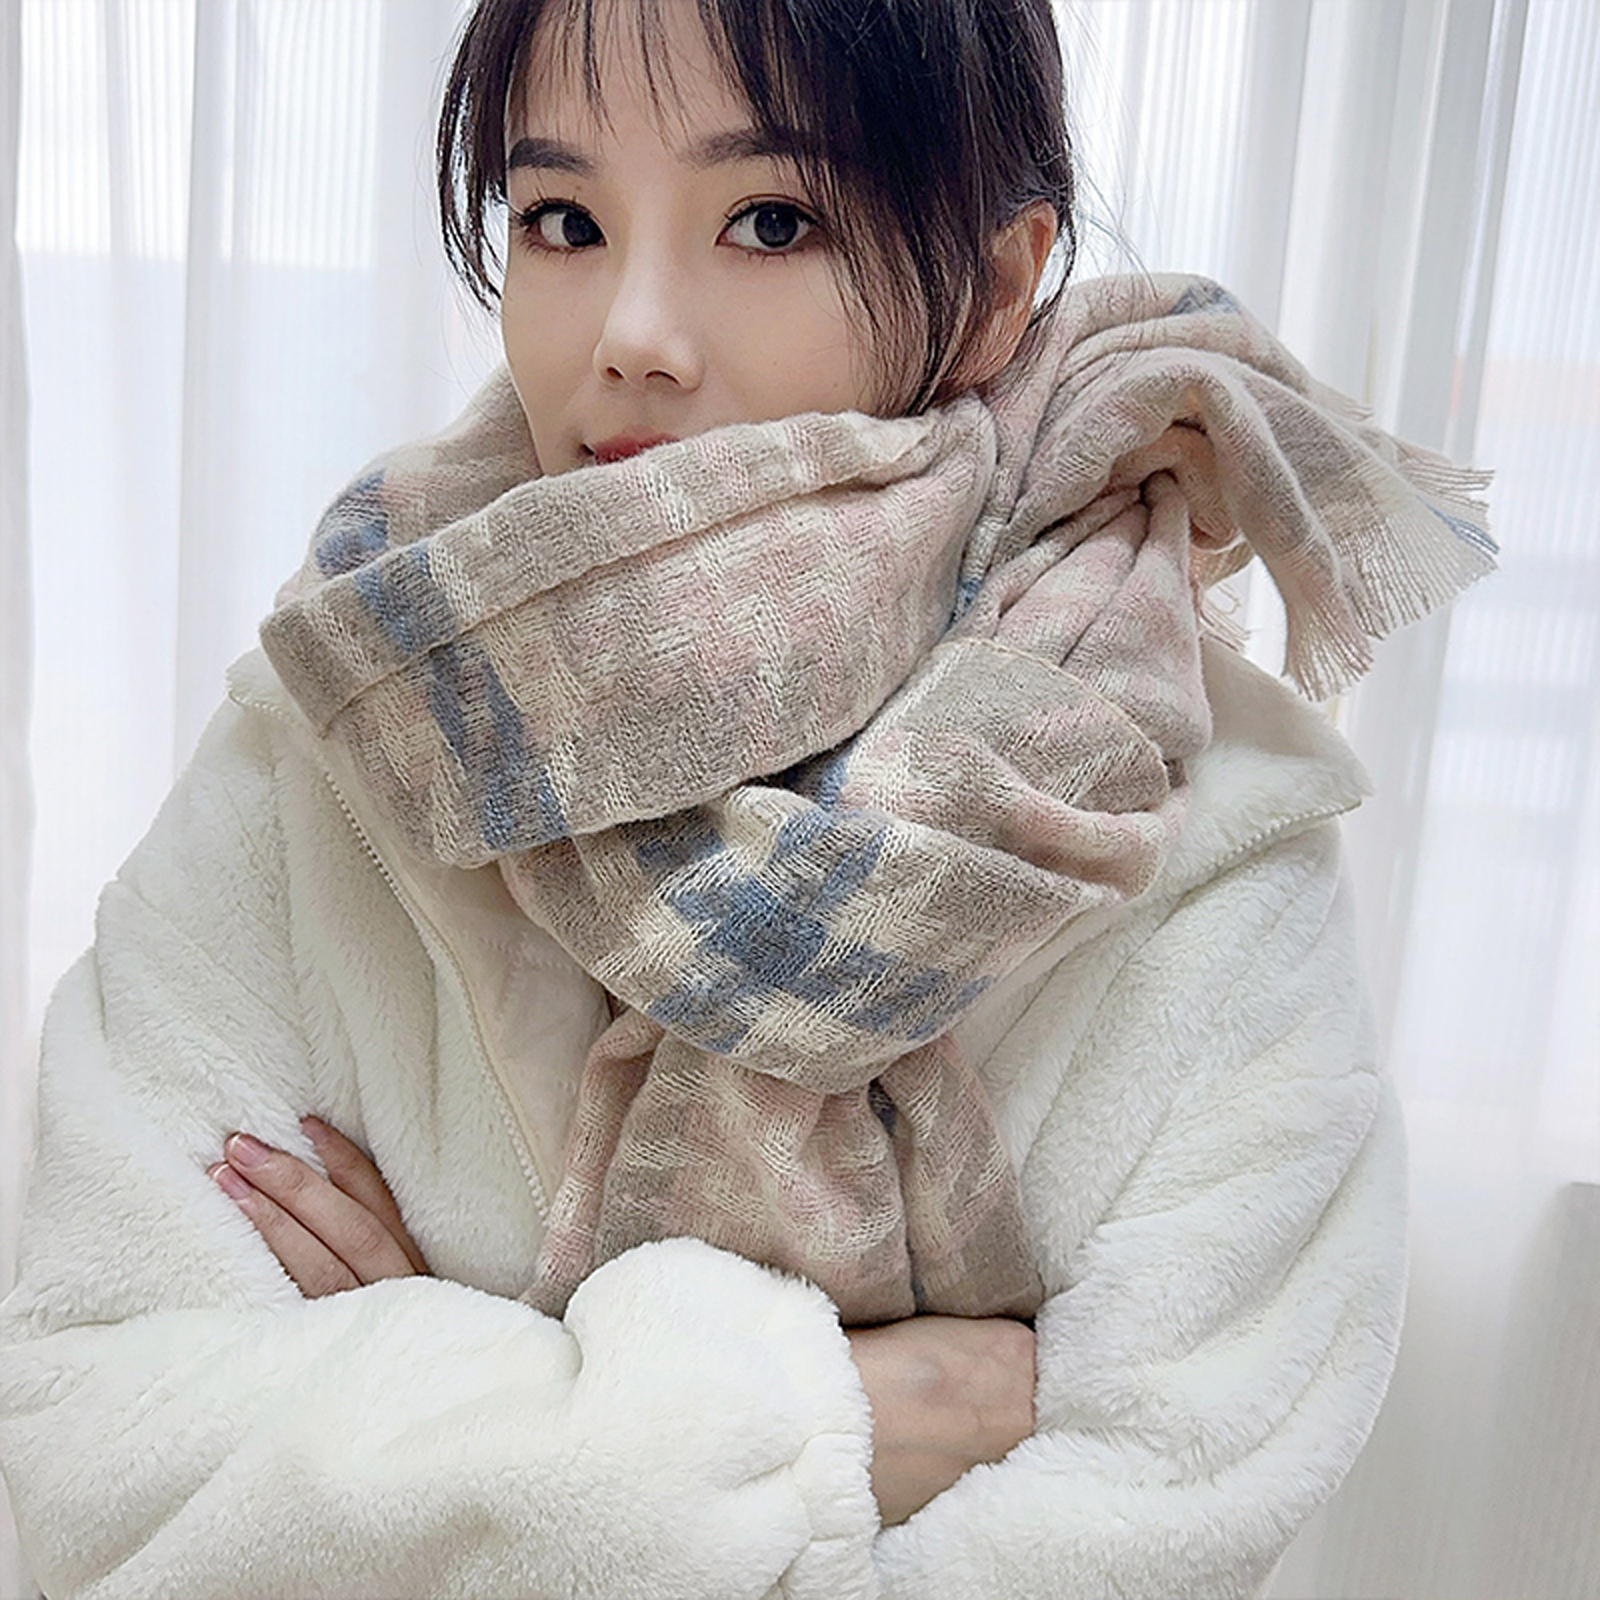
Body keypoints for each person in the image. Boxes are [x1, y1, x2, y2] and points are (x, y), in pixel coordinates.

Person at [0, 1, 1493, 1597]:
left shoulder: (1201, 836)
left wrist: (424, 1399)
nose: (631, 331)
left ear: (999, 285)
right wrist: (852, 1422)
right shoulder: (346, 723)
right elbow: (88, 1441)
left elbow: (1174, 1509)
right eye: (563, 219)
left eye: (771, 220)